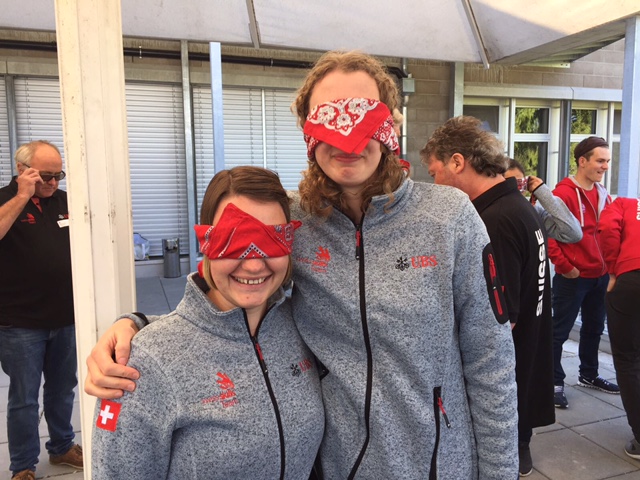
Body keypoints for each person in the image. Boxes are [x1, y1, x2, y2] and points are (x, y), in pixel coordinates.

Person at [86, 51, 519, 479]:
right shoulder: (293, 220)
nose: (346, 137)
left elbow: (491, 363)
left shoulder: (448, 218)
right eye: (329, 118)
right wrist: (137, 327)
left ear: (390, 124)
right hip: (337, 469)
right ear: (307, 131)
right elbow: (230, 283)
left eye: (362, 115)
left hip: (440, 467)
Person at [91, 166, 324, 479]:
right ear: (206, 244)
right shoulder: (145, 362)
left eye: (272, 239)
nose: (254, 265)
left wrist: (134, 320)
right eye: (233, 240)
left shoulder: (304, 327)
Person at [421, 115, 554, 477]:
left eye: (434, 173)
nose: (434, 184)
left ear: (457, 162)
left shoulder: (492, 220)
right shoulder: (517, 206)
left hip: (504, 383)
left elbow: (498, 320)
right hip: (526, 365)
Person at [0, 141, 83, 480]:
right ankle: (23, 465)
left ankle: (62, 446)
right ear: (22, 170)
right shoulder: (6, 199)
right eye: (45, 176)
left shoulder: (65, 201)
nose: (52, 182)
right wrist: (22, 196)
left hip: (66, 316)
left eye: (58, 175)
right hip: (21, 321)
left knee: (63, 389)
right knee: (24, 398)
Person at [548, 136, 618, 410]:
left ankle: (589, 374)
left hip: (600, 275)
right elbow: (549, 234)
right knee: (558, 332)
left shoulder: (602, 193)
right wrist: (566, 268)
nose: (605, 167)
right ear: (582, 161)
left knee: (593, 328)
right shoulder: (563, 194)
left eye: (607, 161)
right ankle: (553, 383)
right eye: (600, 161)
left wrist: (611, 268)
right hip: (573, 277)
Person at [597, 196, 640, 460]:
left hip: (631, 278)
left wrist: (613, 270)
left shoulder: (624, 203)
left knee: (627, 360)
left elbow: (607, 229)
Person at [505, 158, 582, 243]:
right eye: (507, 185)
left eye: (520, 185)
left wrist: (543, 192)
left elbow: (574, 234)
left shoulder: (534, 213)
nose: (515, 191)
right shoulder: (493, 216)